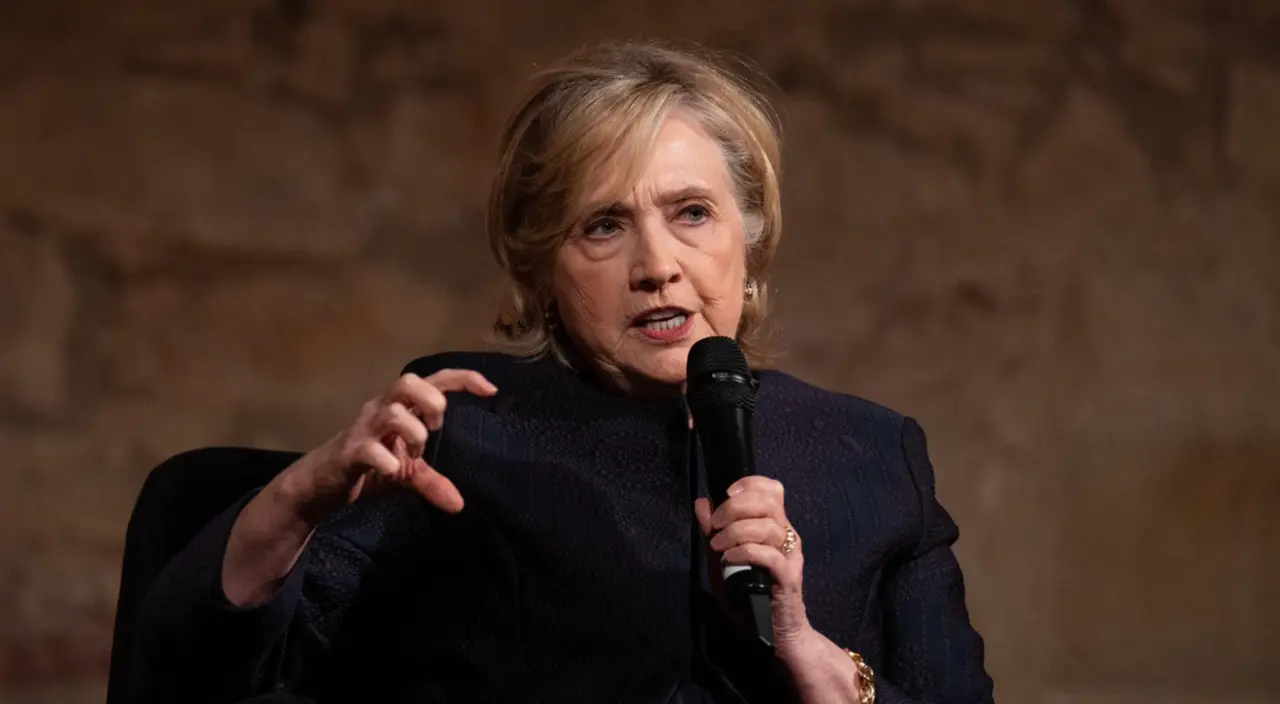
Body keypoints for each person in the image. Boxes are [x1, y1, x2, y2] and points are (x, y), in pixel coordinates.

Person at [132, 41, 995, 704]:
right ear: (540, 265)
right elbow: (194, 672)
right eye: (604, 227)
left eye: (692, 213)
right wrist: (296, 499)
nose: (657, 265)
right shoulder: (465, 427)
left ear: (750, 234)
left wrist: (826, 668)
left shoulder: (874, 455)